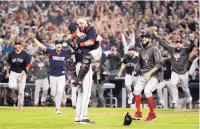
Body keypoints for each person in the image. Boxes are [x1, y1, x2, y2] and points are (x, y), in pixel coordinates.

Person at [65, 18, 103, 124]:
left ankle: (77, 118)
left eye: (82, 23)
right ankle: (83, 117)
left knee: (81, 93)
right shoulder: (81, 34)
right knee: (86, 92)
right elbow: (93, 41)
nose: (80, 25)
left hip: (79, 64)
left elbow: (93, 41)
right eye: (78, 24)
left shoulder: (85, 32)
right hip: (84, 64)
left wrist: (78, 40)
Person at [153, 32, 195, 109]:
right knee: (173, 85)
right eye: (177, 43)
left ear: (182, 45)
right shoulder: (172, 49)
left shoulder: (185, 50)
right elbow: (164, 44)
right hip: (175, 72)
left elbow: (191, 47)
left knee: (185, 88)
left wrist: (192, 40)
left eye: (180, 43)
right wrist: (156, 37)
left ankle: (189, 100)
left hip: (184, 72)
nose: (178, 44)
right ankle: (174, 102)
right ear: (175, 44)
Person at [32, 35, 71, 114]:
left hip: (61, 75)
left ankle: (58, 109)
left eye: (60, 44)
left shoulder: (65, 52)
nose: (59, 45)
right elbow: (41, 46)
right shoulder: (51, 52)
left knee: (60, 91)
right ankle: (54, 100)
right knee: (53, 93)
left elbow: (75, 48)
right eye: (57, 44)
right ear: (55, 45)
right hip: (52, 75)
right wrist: (34, 39)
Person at [133, 34, 163, 121]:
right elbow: (139, 63)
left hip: (155, 75)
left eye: (145, 37)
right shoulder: (141, 50)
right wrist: (135, 70)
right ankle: (138, 113)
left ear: (150, 39)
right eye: (142, 38)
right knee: (136, 91)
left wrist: (149, 73)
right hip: (144, 74)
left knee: (147, 91)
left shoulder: (154, 49)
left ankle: (152, 114)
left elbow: (159, 63)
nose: (143, 39)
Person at [5, 40, 32, 110]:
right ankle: (17, 88)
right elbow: (8, 64)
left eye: (18, 44)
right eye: (16, 44)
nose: (17, 46)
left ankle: (20, 105)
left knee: (21, 92)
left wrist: (26, 70)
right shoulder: (11, 54)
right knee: (11, 86)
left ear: (21, 45)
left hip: (22, 73)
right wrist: (7, 73)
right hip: (13, 72)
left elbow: (29, 63)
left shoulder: (25, 54)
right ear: (14, 46)